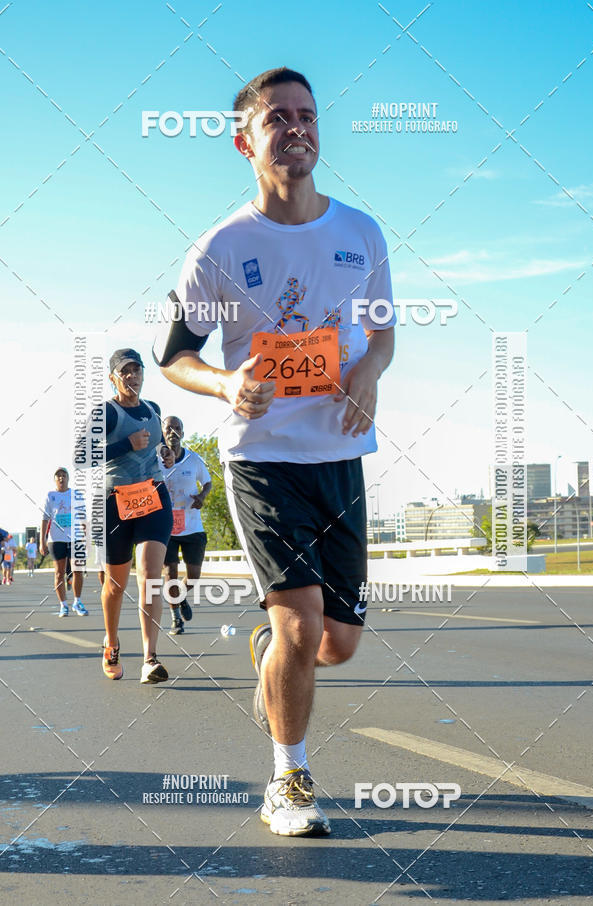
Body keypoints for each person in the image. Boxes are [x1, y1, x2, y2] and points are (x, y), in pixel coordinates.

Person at [155, 68, 395, 836]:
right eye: (278, 119)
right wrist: (226, 386)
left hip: (339, 457)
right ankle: (288, 781)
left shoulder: (362, 232)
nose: (297, 128)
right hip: (261, 459)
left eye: (308, 115)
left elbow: (384, 332)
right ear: (244, 141)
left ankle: (269, 653)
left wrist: (368, 370)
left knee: (338, 644)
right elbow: (173, 355)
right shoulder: (220, 248)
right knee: (301, 627)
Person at [76, 348, 173, 683]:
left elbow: (156, 448)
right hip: (115, 502)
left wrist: (165, 455)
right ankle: (112, 642)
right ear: (113, 378)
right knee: (115, 584)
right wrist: (125, 444)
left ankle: (150, 658)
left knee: (150, 574)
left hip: (153, 495)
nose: (132, 376)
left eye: (137, 370)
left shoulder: (154, 410)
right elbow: (80, 455)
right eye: (125, 371)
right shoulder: (107, 412)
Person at [159, 417, 212, 635]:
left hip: (192, 526)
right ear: (162, 432)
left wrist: (201, 496)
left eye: (177, 428)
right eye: (168, 428)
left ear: (183, 432)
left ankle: (179, 596)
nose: (173, 432)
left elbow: (207, 482)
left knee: (194, 577)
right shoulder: (154, 461)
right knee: (169, 574)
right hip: (165, 527)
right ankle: (175, 620)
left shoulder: (194, 459)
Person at [40, 470, 87, 615]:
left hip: (75, 538)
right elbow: (45, 519)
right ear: (55, 479)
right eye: (58, 476)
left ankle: (77, 602)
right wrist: (42, 541)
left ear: (68, 478)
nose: (61, 478)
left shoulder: (76, 494)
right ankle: (63, 605)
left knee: (77, 570)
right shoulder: (50, 496)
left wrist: (86, 537)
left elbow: (83, 518)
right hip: (56, 539)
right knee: (59, 573)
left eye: (64, 475)